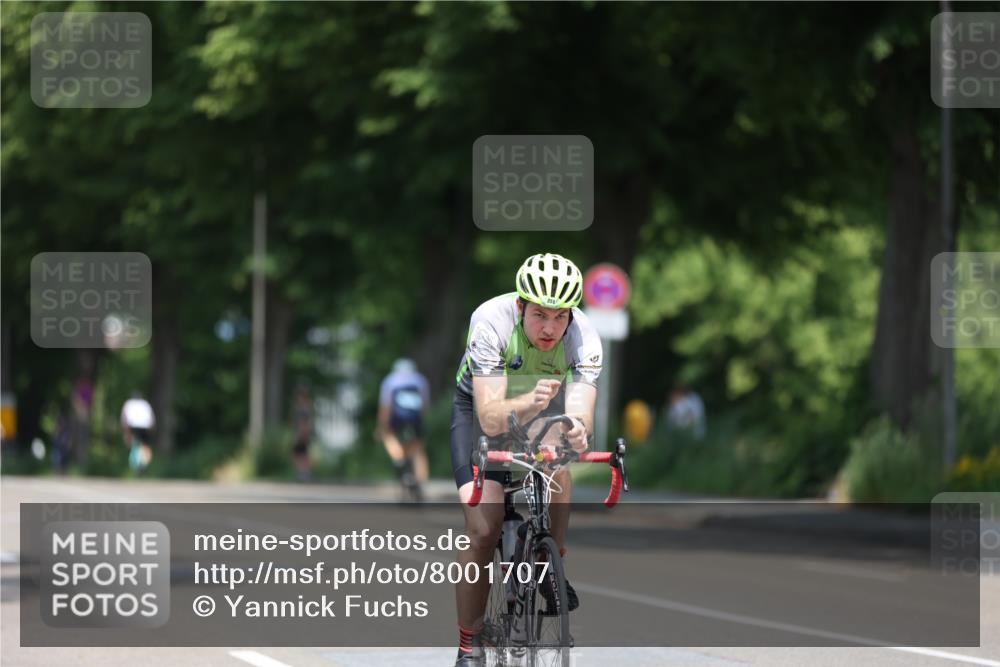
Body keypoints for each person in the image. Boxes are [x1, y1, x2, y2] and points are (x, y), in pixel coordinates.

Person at [450, 253, 601, 666]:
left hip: (543, 407)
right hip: (483, 413)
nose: (549, 328)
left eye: (559, 317)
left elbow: (582, 409)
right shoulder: (490, 321)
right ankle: (469, 645)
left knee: (559, 459)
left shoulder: (585, 336)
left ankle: (552, 562)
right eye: (539, 315)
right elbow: (491, 416)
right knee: (483, 528)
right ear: (520, 307)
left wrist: (578, 428)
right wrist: (530, 402)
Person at [377, 358, 430, 500]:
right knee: (418, 449)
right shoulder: (420, 380)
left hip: (398, 418)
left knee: (387, 435)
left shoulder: (390, 380)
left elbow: (386, 407)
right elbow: (424, 405)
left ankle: (398, 457)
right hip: (415, 419)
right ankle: (419, 481)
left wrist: (382, 426)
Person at [121, 394, 155, 474]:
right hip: (145, 426)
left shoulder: (129, 403)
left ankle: (133, 465)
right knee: (145, 446)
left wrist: (125, 431)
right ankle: (144, 463)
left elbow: (124, 417)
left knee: (132, 444)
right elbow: (152, 418)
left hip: (132, 425)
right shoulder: (145, 403)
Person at [291, 385, 314, 482]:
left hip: (302, 434)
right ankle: (304, 473)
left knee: (301, 454)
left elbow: (305, 423)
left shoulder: (304, 408)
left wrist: (303, 434)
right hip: (300, 434)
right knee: (301, 454)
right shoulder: (302, 407)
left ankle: (304, 473)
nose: (298, 398)